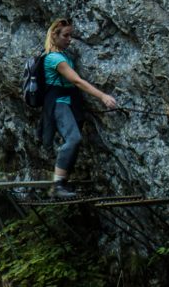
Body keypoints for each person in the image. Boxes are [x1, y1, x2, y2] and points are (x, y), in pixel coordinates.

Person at [40, 17, 117, 198]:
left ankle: (62, 183)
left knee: (75, 140)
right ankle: (57, 186)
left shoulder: (64, 55)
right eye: (65, 35)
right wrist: (103, 96)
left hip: (68, 102)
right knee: (73, 139)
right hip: (58, 103)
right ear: (54, 35)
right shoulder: (54, 58)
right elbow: (76, 80)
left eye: (70, 35)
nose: (69, 39)